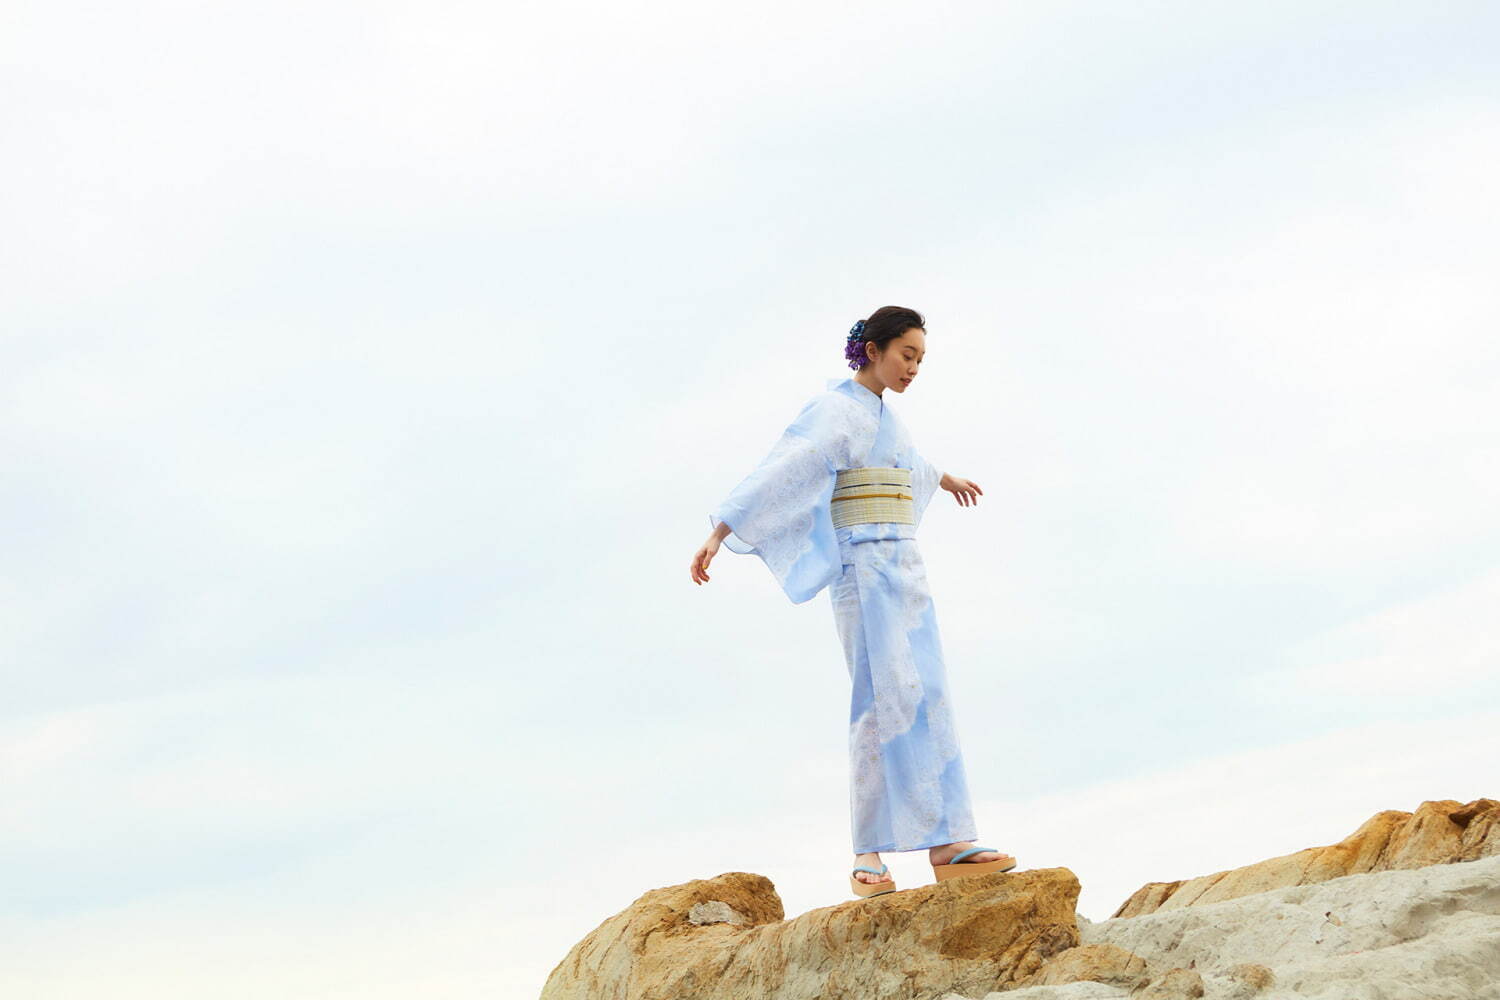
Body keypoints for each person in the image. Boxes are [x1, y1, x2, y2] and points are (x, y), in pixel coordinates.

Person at [690, 305, 1018, 898]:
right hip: (862, 566)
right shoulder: (834, 410)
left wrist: (943, 478)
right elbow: (784, 469)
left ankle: (949, 840)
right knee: (876, 696)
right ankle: (868, 852)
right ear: (873, 349)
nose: (914, 368)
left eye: (920, 359)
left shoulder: (886, 420)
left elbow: (907, 465)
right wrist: (721, 529)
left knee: (929, 692)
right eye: (906, 355)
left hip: (904, 565)